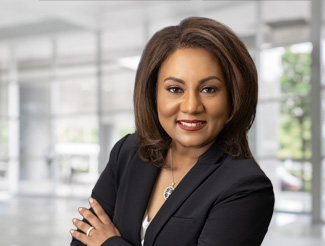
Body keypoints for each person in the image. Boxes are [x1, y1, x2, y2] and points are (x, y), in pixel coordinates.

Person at [70, 16, 274, 246]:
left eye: (208, 89)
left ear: (233, 97)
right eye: (175, 89)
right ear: (153, 94)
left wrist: (109, 243)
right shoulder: (128, 152)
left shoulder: (245, 187)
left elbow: (97, 240)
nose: (191, 107)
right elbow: (82, 240)